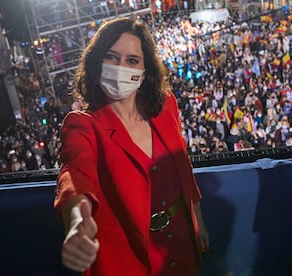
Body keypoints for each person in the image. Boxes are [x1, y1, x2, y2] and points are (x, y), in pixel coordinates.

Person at [54, 17, 209, 276]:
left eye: (132, 61)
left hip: (181, 245)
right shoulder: (83, 125)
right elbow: (75, 176)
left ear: (145, 69)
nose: (120, 68)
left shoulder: (165, 106)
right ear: (97, 62)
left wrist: (198, 222)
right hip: (127, 258)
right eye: (112, 57)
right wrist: (78, 222)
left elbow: (184, 167)